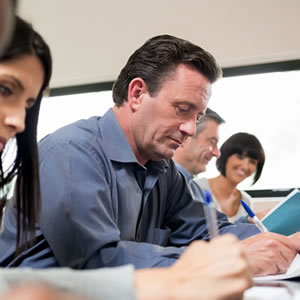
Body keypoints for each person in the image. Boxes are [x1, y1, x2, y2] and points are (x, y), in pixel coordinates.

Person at [1, 34, 299, 277]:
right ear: (137, 94)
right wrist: (228, 258)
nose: (189, 128)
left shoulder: (164, 171)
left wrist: (283, 244)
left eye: (198, 116)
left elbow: (207, 230)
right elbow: (99, 264)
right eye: (182, 109)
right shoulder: (70, 153)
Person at [196, 132, 265, 223]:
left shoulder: (246, 201)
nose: (245, 166)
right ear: (225, 155)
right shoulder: (198, 187)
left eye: (252, 162)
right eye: (240, 157)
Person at [173, 107, 224, 201]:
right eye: (212, 142)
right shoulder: (161, 183)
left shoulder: (198, 191)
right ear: (185, 137)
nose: (217, 153)